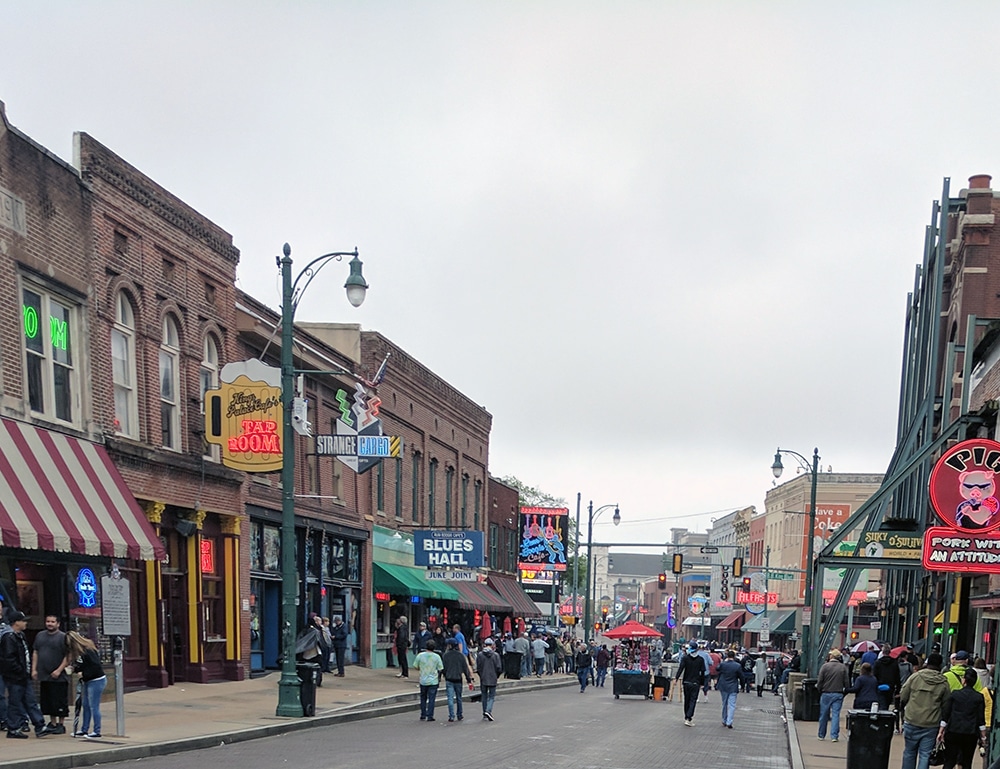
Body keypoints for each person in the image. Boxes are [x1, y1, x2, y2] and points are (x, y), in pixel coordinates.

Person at [0, 612, 55, 738]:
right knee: (15, 702)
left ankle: (39, 725)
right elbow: (8, 659)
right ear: (16, 622)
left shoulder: (20, 636)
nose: (25, 623)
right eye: (23, 621)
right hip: (15, 677)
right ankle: (13, 728)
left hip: (23, 675)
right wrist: (19, 671)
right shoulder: (8, 637)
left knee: (30, 701)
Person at [900, 652, 950, 769]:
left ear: (927, 663)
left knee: (909, 752)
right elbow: (946, 705)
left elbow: (903, 695)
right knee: (925, 754)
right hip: (931, 723)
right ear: (940, 665)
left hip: (912, 719)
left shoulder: (915, 677)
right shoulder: (943, 683)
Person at [939, 668, 986, 769]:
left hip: (953, 730)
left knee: (949, 760)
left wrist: (941, 731)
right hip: (970, 733)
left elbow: (946, 713)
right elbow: (981, 718)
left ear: (964, 680)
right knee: (967, 761)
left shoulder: (955, 694)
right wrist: (983, 737)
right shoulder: (979, 697)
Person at [65, 631, 106, 739]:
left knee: (94, 706)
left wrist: (84, 674)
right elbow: (81, 665)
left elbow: (96, 666)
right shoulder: (79, 653)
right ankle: (84, 729)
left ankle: (97, 731)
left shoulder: (88, 650)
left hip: (96, 680)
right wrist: (74, 669)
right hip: (88, 680)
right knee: (86, 705)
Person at [32, 614, 69, 734]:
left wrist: (59, 670)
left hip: (59, 676)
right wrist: (34, 669)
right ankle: (52, 723)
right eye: (48, 621)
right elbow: (36, 652)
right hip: (44, 675)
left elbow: (68, 655)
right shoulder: (40, 635)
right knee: (48, 701)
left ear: (58, 624)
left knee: (59, 700)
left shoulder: (63, 637)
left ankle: (61, 724)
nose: (50, 624)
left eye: (53, 622)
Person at [816, 648, 850, 742]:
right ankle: (834, 736)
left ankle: (821, 735)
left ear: (831, 656)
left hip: (826, 693)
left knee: (823, 715)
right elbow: (847, 683)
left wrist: (819, 690)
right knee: (836, 715)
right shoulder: (843, 667)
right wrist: (844, 692)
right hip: (838, 693)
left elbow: (820, 681)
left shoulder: (825, 666)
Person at [441, 638, 474, 722]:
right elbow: (465, 669)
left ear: (450, 645)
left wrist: (444, 675)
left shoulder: (446, 655)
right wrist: (468, 679)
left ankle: (451, 715)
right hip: (458, 679)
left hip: (449, 679)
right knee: (459, 698)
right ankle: (459, 714)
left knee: (450, 698)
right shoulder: (461, 656)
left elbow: (443, 668)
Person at [675, 643, 707, 726]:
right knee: (693, 700)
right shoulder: (700, 660)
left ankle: (686, 716)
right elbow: (702, 672)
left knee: (687, 700)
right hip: (696, 683)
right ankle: (689, 717)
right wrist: (702, 683)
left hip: (686, 682)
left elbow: (681, 668)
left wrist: (676, 678)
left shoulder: (685, 658)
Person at [414, 640, 444, 721]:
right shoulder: (437, 657)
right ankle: (430, 715)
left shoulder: (420, 655)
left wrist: (421, 669)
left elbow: (415, 666)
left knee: (423, 698)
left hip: (423, 680)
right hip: (433, 681)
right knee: (432, 699)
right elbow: (440, 668)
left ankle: (423, 714)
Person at [476, 637, 502, 721]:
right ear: (492, 645)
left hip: (483, 677)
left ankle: (484, 712)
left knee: (484, 696)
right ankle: (488, 710)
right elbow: (499, 668)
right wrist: (497, 676)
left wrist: (481, 675)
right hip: (493, 677)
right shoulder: (495, 655)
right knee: (491, 696)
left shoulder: (480, 655)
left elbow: (478, 667)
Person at [717, 649, 742, 728]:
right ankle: (729, 722)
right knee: (732, 705)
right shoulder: (737, 666)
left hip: (723, 686)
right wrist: (742, 685)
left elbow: (717, 669)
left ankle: (724, 720)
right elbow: (741, 676)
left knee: (724, 703)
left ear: (727, 656)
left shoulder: (723, 664)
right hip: (733, 686)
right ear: (734, 657)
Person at [873, 643, 901, 711]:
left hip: (880, 685)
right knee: (887, 703)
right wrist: (898, 689)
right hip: (890, 686)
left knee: (881, 703)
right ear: (890, 652)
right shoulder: (894, 663)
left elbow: (874, 675)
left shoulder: (877, 663)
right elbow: (897, 676)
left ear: (882, 652)